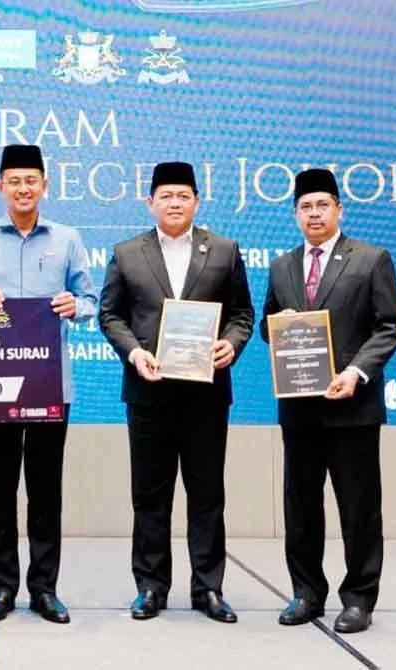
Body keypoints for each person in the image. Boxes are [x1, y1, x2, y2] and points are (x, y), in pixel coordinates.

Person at [99, 161, 254, 623]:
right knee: (150, 494)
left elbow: (242, 314)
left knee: (207, 494)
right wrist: (133, 353)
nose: (174, 203)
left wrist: (232, 342)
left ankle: (208, 588)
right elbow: (111, 316)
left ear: (197, 201)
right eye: (165, 195)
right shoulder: (127, 253)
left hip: (206, 395)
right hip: (148, 393)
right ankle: (150, 586)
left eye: (183, 195)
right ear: (150, 202)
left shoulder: (224, 250)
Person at [0, 144, 97, 624]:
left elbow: (91, 296)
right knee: (1, 486)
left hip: (52, 385)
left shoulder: (68, 239)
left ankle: (45, 588)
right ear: (0, 187)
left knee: (45, 487)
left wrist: (77, 306)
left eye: (31, 180)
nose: (23, 188)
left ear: (45, 185)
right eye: (14, 181)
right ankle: (3, 586)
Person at [261, 168, 396, 634]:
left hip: (353, 407)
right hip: (299, 407)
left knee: (358, 507)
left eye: (323, 205)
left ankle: (359, 598)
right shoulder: (283, 266)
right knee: (300, 505)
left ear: (339, 210)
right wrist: (277, 326)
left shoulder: (370, 259)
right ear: (295, 214)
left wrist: (356, 372)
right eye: (305, 207)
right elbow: (268, 326)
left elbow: (390, 327)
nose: (314, 214)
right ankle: (306, 592)